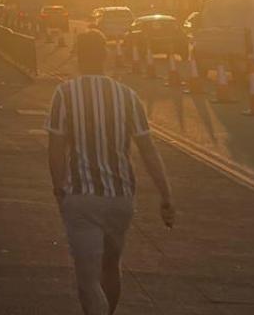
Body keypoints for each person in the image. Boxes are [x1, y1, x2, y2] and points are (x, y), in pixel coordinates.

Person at [46, 30, 174, 315]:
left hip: (82, 196)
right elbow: (148, 150)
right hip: (121, 197)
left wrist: (59, 190)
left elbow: (55, 148)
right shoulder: (128, 96)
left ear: (78, 56)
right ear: (105, 56)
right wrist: (166, 195)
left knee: (88, 281)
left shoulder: (65, 94)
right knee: (111, 266)